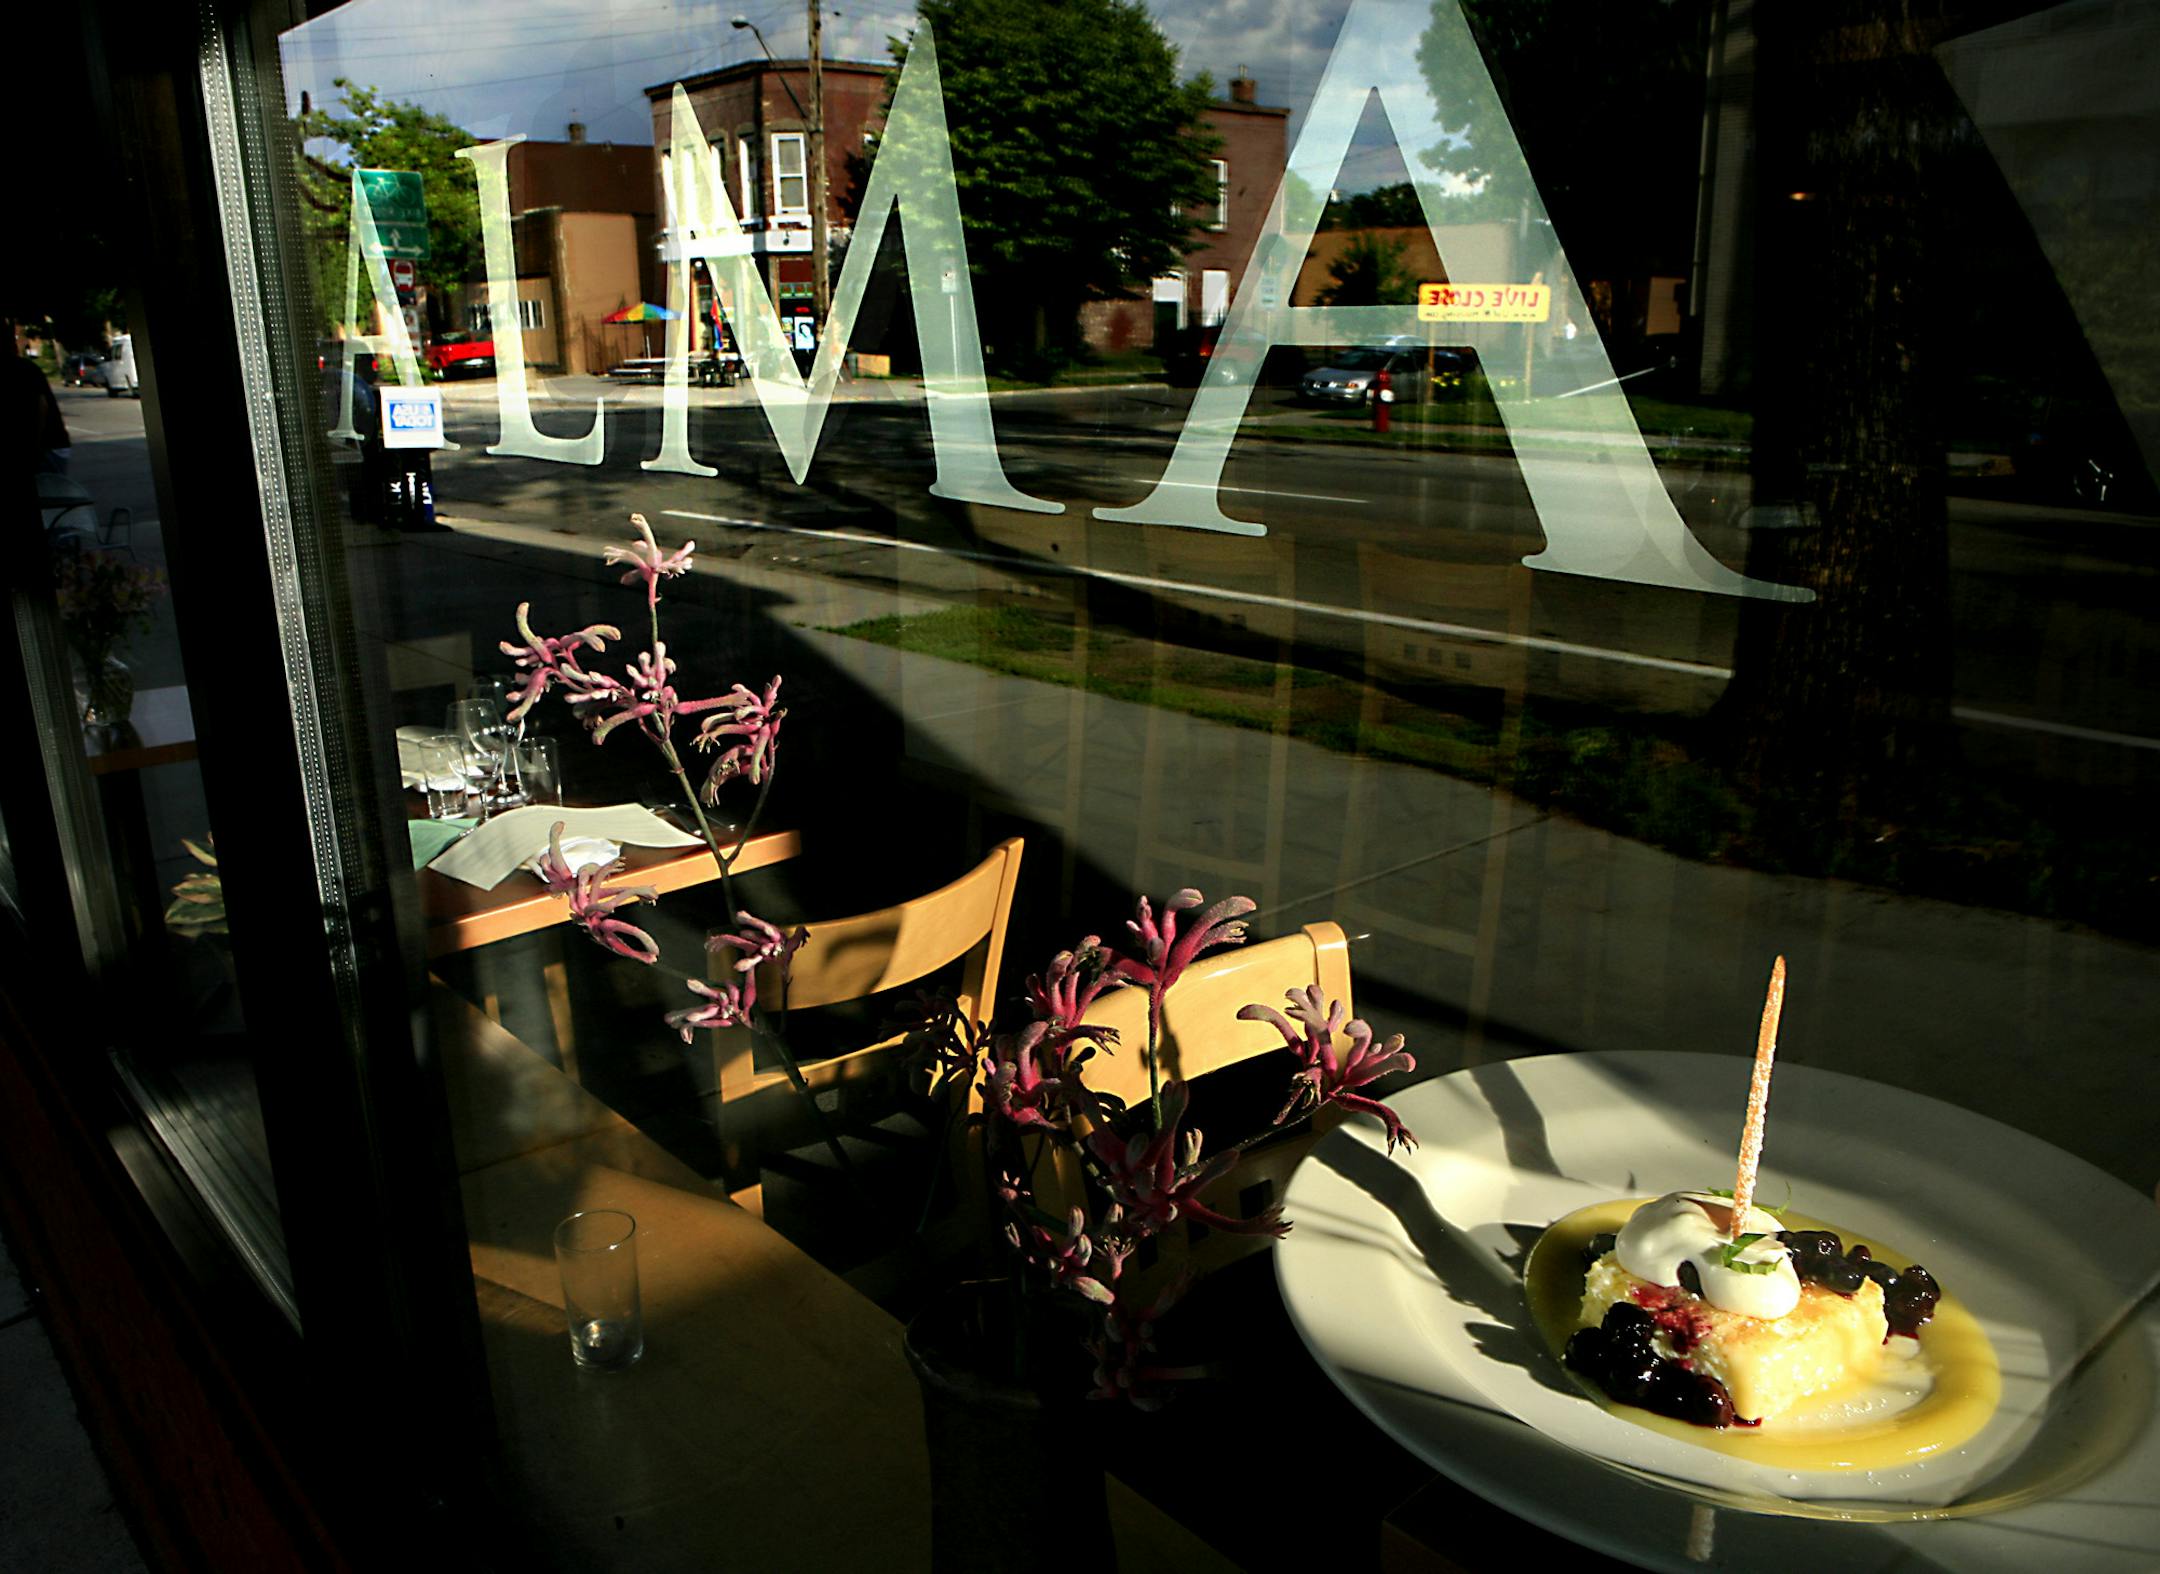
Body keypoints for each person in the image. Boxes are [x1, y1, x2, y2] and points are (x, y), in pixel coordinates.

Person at [4, 319, 72, 476]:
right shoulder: (24, 368)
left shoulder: (21, 369)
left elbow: (39, 407)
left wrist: (34, 449)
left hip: (47, 446)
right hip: (50, 445)